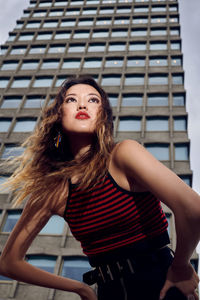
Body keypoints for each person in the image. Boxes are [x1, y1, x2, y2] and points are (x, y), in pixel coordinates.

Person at [0, 75, 199, 300]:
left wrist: (181, 266)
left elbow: (192, 208)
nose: (83, 104)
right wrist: (80, 288)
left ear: (103, 115)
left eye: (93, 100)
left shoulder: (123, 155)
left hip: (160, 284)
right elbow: (8, 263)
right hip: (109, 292)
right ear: (59, 115)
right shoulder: (51, 192)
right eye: (71, 100)